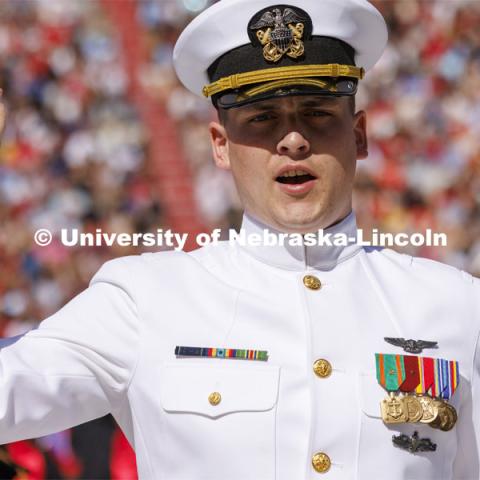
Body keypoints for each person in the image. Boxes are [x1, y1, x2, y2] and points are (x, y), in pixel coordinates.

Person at [0, 0, 479, 479]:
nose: (293, 140)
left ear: (358, 135)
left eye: (316, 113)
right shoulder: (146, 299)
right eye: (262, 119)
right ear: (220, 146)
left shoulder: (456, 305)